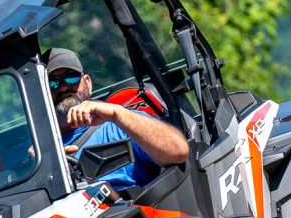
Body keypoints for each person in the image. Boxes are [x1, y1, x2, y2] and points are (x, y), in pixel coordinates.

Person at [43, 47, 189, 189]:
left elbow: (178, 151)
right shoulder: (40, 154)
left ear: (88, 82)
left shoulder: (121, 124)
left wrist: (116, 113)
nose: (62, 87)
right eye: (52, 82)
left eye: (71, 77)